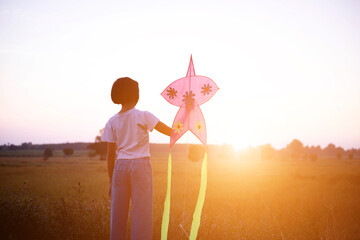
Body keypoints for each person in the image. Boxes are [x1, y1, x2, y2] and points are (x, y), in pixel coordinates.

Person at [101, 77, 171, 240]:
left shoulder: (112, 121)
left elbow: (110, 155)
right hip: (141, 166)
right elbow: (171, 132)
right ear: (136, 95)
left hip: (120, 167)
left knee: (117, 214)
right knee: (142, 214)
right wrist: (187, 115)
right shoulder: (144, 115)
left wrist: (111, 181)